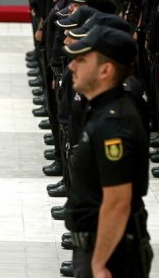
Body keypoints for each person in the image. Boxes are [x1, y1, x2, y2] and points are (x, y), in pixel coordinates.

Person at [64, 25, 152, 278]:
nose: (72, 66)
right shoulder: (103, 111)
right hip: (101, 245)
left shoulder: (114, 124)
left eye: (81, 60)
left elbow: (117, 202)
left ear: (106, 69)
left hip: (113, 253)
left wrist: (99, 263)